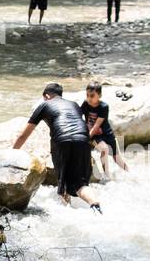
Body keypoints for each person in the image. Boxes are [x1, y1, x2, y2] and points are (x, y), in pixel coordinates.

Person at [13, 82, 103, 212]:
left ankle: (66, 211)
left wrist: (11, 153)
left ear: (46, 96)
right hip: (83, 141)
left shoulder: (44, 105)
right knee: (80, 184)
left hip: (62, 141)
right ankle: (95, 205)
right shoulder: (74, 105)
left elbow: (23, 135)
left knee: (63, 181)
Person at [79, 81, 129, 175]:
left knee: (117, 158)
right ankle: (107, 176)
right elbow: (77, 116)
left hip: (107, 134)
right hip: (94, 137)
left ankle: (130, 174)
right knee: (104, 149)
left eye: (92, 95)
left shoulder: (103, 107)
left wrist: (86, 137)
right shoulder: (85, 104)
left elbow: (96, 126)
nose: (89, 98)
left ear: (99, 95)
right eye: (87, 95)